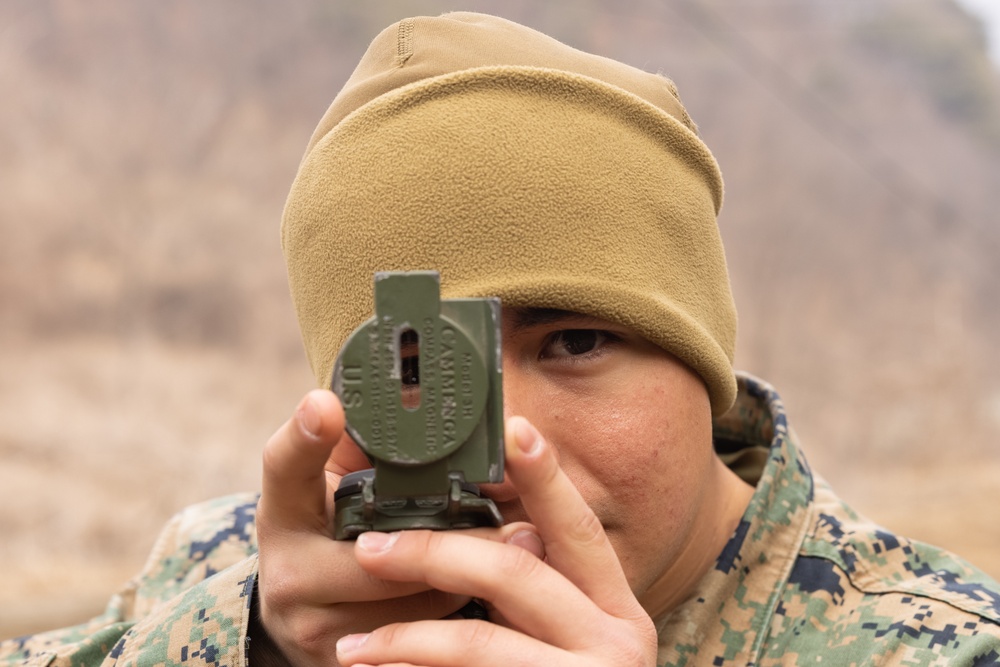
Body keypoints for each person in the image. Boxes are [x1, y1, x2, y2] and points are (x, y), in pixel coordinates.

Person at [3, 11, 999, 667]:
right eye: (416, 366)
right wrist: (251, 643)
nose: (501, 444)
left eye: (574, 342)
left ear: (698, 360)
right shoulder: (232, 569)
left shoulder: (937, 647)